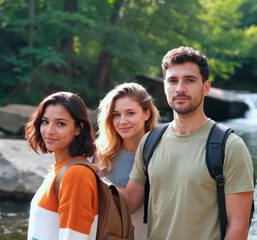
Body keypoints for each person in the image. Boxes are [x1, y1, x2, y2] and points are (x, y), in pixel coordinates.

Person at [123, 47, 255, 239]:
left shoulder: (229, 146)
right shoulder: (150, 141)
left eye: (190, 80)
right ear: (165, 86)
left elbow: (239, 227)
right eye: (173, 81)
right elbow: (128, 204)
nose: (180, 89)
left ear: (206, 87)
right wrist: (84, 172)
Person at [25, 91, 98, 240]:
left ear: (78, 128)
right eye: (45, 121)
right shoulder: (60, 168)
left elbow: (75, 237)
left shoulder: (76, 175)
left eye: (60, 123)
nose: (49, 131)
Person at [93, 82, 159, 240]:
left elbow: (128, 204)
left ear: (147, 114)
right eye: (116, 114)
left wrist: (93, 179)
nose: (122, 121)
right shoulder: (99, 153)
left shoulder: (159, 153)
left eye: (130, 113)